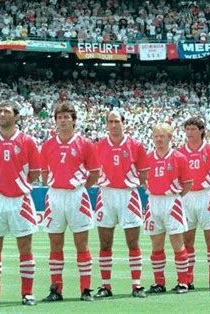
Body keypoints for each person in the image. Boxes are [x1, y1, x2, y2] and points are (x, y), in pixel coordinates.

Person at [0, 101, 40, 306]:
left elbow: (34, 173)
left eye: (6, 111)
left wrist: (18, 185)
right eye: (0, 111)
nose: (2, 114)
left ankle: (27, 293)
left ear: (16, 117)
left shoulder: (27, 141)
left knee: (25, 247)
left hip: (21, 200)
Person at [40, 102, 100, 302]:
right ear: (55, 121)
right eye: (59, 117)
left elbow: (94, 173)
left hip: (77, 196)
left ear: (74, 121)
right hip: (55, 196)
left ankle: (85, 290)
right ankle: (56, 289)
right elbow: (43, 173)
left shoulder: (85, 144)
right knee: (55, 244)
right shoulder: (48, 145)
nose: (63, 120)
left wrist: (82, 187)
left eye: (67, 117)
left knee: (81, 244)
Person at [93, 110, 149, 298]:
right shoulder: (99, 146)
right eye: (110, 122)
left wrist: (130, 183)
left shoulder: (136, 145)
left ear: (124, 123)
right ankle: (106, 286)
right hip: (106, 195)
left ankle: (136, 285)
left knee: (133, 242)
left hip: (128, 195)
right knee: (105, 243)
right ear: (107, 124)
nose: (114, 125)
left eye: (117, 121)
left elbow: (143, 173)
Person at [144, 122, 193, 294]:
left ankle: (183, 282)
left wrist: (176, 196)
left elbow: (187, 183)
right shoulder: (148, 157)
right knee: (156, 244)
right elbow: (143, 179)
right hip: (153, 202)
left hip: (172, 202)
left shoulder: (179, 158)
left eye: (162, 136)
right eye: (156, 136)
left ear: (170, 137)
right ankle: (159, 283)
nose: (158, 139)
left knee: (177, 244)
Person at [178, 117, 210, 291]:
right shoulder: (180, 152)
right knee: (187, 240)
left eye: (193, 129)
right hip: (187, 198)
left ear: (201, 130)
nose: (190, 132)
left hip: (206, 195)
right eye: (187, 129)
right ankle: (187, 279)